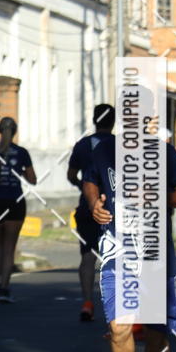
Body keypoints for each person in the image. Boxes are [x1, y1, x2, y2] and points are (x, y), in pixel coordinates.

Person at [83, 129, 176, 352]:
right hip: (117, 250)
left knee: (154, 333)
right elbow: (90, 180)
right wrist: (93, 205)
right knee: (118, 326)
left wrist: (154, 195)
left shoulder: (163, 153)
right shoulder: (104, 149)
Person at [67, 104, 115, 321]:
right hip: (116, 209)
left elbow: (71, 174)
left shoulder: (83, 145)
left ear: (95, 121)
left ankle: (87, 302)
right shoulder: (120, 145)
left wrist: (86, 189)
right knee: (118, 257)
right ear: (113, 122)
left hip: (88, 207)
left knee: (87, 257)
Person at [0, 118, 36, 303]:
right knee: (10, 247)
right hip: (15, 201)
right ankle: (4, 288)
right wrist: (19, 171)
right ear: (15, 131)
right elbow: (33, 179)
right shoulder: (22, 152)